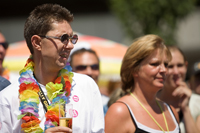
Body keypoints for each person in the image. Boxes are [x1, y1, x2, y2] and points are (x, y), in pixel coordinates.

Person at [0, 3, 104, 133]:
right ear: (37, 43)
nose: (71, 45)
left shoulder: (87, 86)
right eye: (64, 38)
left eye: (72, 38)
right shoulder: (7, 98)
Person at [105, 34, 180, 133]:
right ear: (134, 69)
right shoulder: (119, 112)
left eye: (165, 64)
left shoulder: (171, 111)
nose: (163, 70)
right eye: (154, 64)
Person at [157, 46, 200, 133]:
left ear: (186, 66)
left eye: (180, 65)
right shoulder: (152, 102)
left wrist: (185, 109)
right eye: (170, 66)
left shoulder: (197, 103)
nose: (176, 72)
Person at [69, 48, 109, 115]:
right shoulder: (62, 102)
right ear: (70, 71)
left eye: (94, 67)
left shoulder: (108, 105)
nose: (89, 72)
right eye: (82, 67)